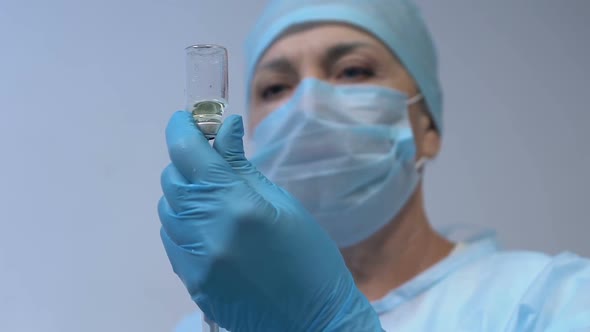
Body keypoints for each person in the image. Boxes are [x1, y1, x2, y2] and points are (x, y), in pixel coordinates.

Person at [159, 0, 590, 331]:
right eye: (275, 87)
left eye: (352, 71)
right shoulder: (210, 323)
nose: (308, 105)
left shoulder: (551, 299)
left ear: (428, 126)